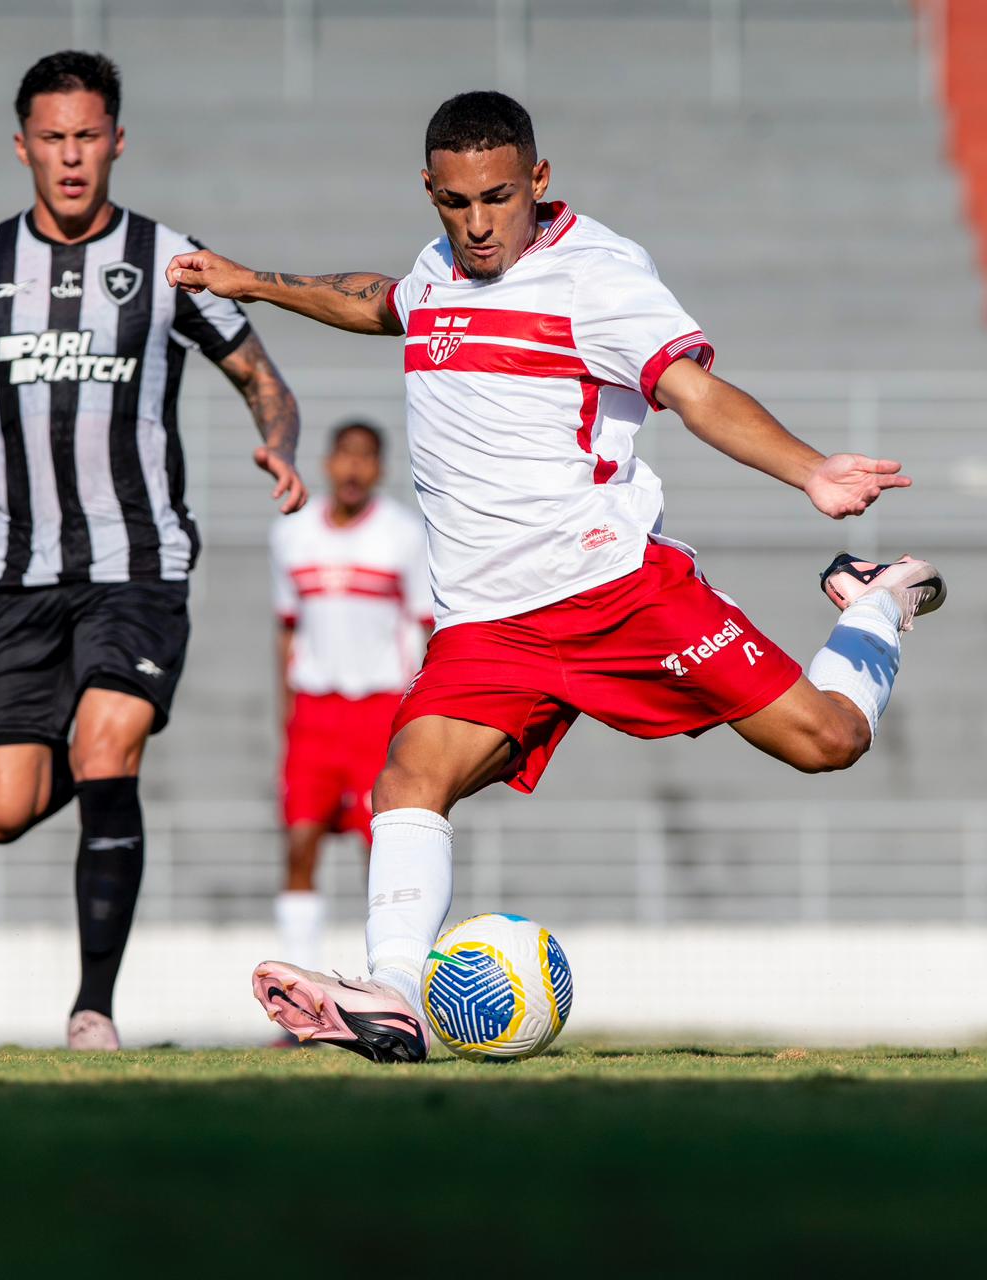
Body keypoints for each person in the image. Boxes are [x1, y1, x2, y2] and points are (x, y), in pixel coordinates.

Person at [167, 91, 945, 1063]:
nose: (479, 222)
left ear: (539, 180)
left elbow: (691, 392)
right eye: (455, 202)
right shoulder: (439, 270)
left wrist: (809, 468)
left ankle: (875, 599)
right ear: (430, 191)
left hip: (616, 591)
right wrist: (253, 280)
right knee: (409, 778)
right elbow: (379, 302)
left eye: (498, 196)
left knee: (828, 740)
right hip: (488, 621)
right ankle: (393, 992)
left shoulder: (599, 275)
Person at [0, 51, 305, 1050]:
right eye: (53, 139)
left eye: (88, 136)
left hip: (138, 563)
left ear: (117, 140)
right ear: (21, 145)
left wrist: (278, 445)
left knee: (108, 746)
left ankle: (92, 1009)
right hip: (15, 576)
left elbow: (263, 377)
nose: (71, 158)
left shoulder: (165, 261)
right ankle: (80, 741)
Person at [270, 418, 431, 984]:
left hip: (379, 711)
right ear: (329, 463)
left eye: (367, 457)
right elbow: (286, 630)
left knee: (380, 853)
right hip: (314, 714)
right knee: (300, 843)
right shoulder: (292, 536)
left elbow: (421, 627)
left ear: (379, 469)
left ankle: (382, 990)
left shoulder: (403, 535)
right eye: (346, 456)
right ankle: (297, 1003)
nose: (355, 467)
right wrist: (286, 715)